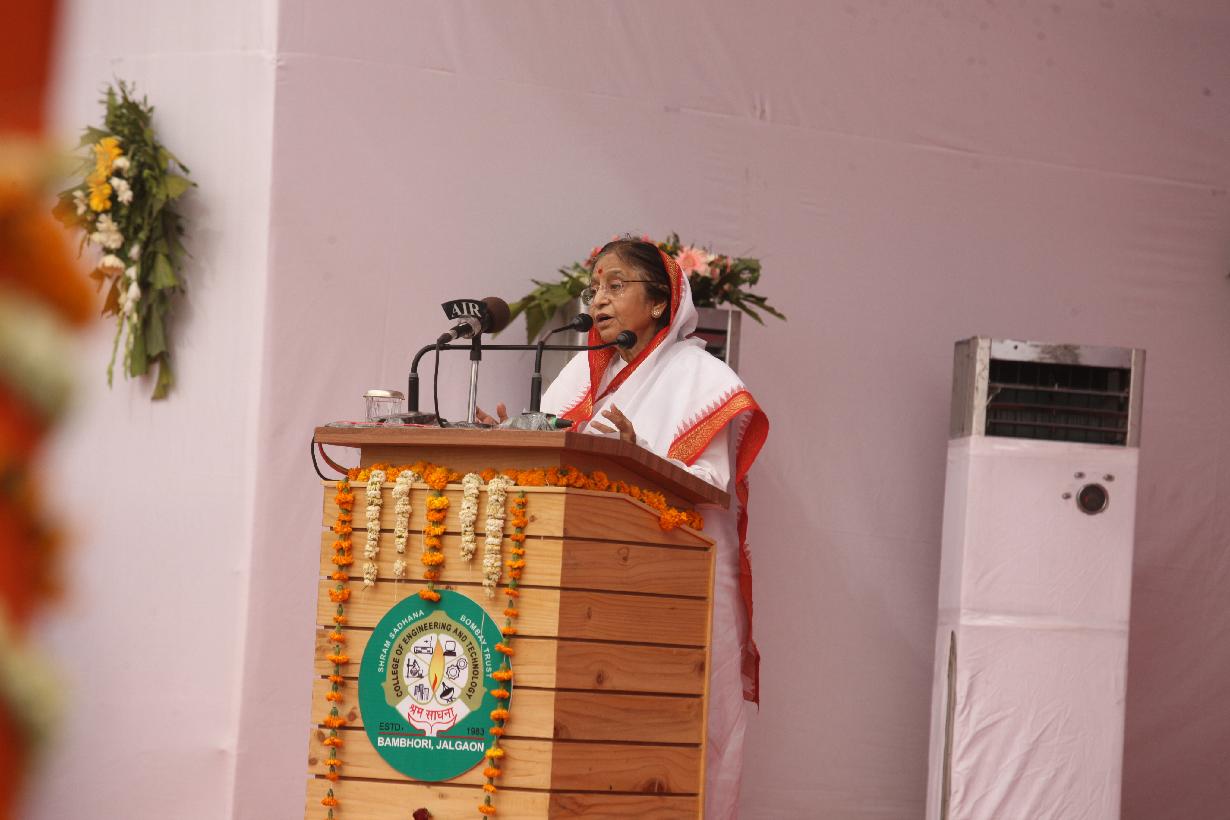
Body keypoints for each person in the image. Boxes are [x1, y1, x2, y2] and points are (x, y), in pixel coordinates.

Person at [541, 236, 769, 818]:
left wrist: (639, 452)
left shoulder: (703, 377)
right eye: (595, 287)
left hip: (675, 583)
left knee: (677, 729)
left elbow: (713, 485)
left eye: (616, 285)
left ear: (662, 302)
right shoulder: (580, 372)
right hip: (588, 581)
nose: (599, 299)